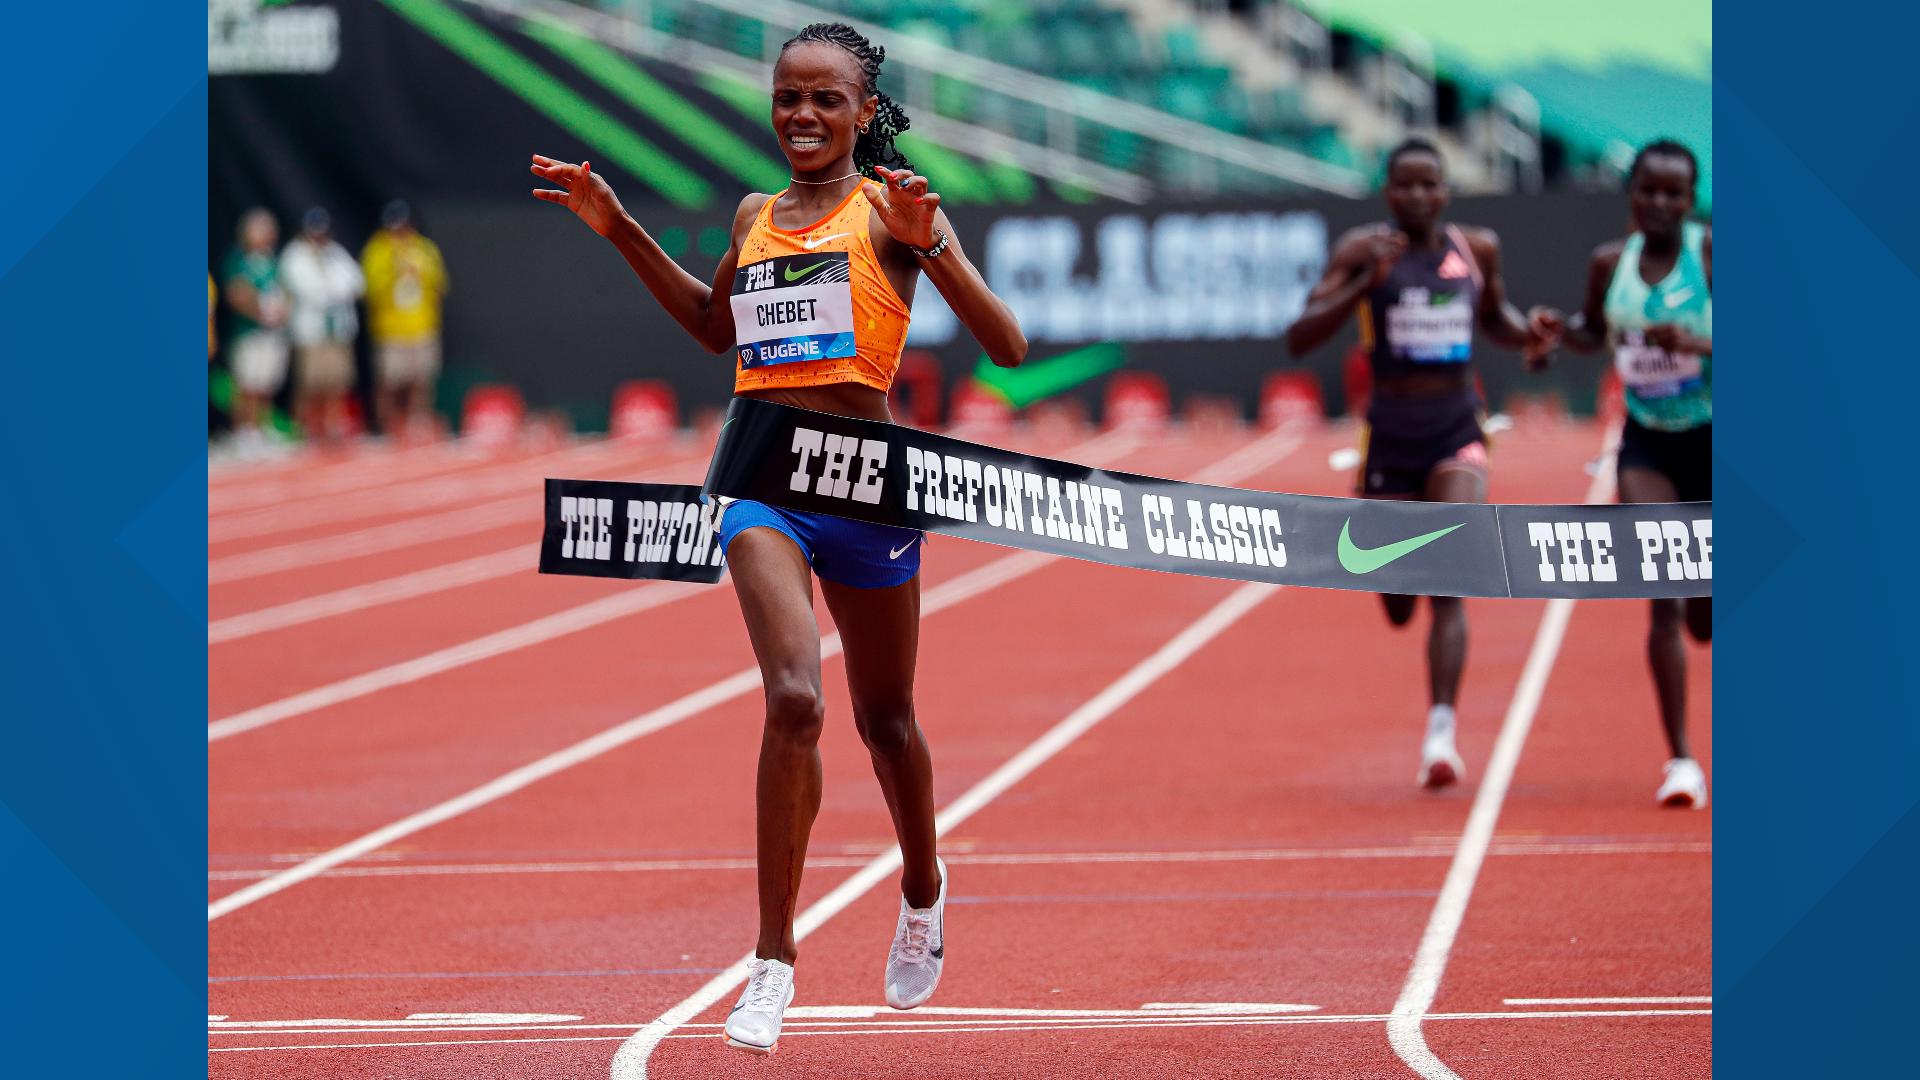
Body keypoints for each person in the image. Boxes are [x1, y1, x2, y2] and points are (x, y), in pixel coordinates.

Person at [531, 21, 1027, 1056]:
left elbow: (1009, 347)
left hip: (872, 489)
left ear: (862, 112)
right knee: (795, 698)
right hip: (765, 480)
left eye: (826, 100)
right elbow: (717, 332)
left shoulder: (892, 209)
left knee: (886, 722)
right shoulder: (756, 214)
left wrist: (932, 241)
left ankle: (925, 888)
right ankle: (771, 964)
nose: (802, 115)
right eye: (788, 97)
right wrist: (619, 226)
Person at [1285, 137, 1557, 790]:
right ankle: (1399, 587)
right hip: (1389, 438)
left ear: (1445, 191)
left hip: (1455, 426)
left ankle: (1441, 729)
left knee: (1450, 572)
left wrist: (1531, 336)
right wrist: (1360, 283)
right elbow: (1299, 336)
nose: (1416, 196)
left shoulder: (1475, 249)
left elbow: (1494, 317)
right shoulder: (1363, 251)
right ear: (1387, 192)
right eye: (1403, 185)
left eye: (1428, 184)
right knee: (1399, 601)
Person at [1535, 139, 1712, 808]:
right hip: (1648, 444)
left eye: (1674, 193)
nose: (1660, 204)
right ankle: (1682, 761)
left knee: (1705, 615)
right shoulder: (1612, 264)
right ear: (1631, 194)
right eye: (1649, 191)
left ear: (1690, 200)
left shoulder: (1713, 255)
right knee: (1662, 588)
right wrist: (1559, 331)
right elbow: (1592, 330)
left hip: (1719, 443)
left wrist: (1699, 343)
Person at [361, 199, 449, 440]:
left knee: (421, 379)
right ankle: (387, 426)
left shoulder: (424, 248)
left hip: (421, 325)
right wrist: (394, 270)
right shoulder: (378, 249)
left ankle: (415, 422)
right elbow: (369, 288)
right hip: (390, 327)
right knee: (389, 381)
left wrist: (418, 272)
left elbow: (440, 284)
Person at [280, 207, 364, 442]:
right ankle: (305, 428)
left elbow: (357, 282)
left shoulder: (334, 252)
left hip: (338, 330)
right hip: (311, 332)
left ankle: (332, 426)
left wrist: (333, 291)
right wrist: (334, 291)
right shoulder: (295, 255)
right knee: (310, 384)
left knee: (337, 382)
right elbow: (307, 290)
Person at [219, 209, 290, 452]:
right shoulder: (238, 259)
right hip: (248, 331)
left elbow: (283, 290)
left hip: (271, 332)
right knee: (247, 384)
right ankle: (244, 432)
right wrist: (261, 314)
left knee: (266, 384)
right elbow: (236, 294)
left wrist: (282, 312)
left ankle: (264, 427)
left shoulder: (270, 258)